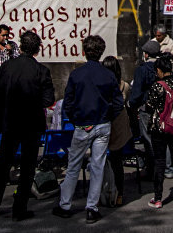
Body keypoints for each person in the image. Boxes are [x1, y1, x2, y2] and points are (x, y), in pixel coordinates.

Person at [0, 31, 55, 221]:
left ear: (21, 47)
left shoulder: (7, 67)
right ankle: (19, 208)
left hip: (11, 122)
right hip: (31, 124)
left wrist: (3, 116)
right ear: (37, 49)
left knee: (3, 165)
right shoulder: (41, 71)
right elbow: (48, 99)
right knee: (27, 168)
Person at [53, 36, 122, 225]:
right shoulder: (108, 75)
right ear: (101, 52)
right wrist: (108, 117)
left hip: (83, 124)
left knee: (74, 165)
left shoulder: (77, 74)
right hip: (102, 123)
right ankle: (92, 207)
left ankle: (65, 204)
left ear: (84, 51)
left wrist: (77, 119)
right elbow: (118, 103)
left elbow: (68, 103)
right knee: (97, 166)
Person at [144, 54, 173, 209]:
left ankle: (158, 198)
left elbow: (149, 107)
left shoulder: (157, 86)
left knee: (159, 162)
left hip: (159, 128)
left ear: (159, 70)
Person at [129, 39, 167, 179]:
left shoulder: (142, 70)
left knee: (148, 139)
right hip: (162, 107)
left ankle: (153, 169)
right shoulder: (162, 66)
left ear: (146, 54)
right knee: (162, 138)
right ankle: (164, 168)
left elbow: (137, 92)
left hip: (147, 108)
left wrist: (132, 104)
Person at [102, 56, 131, 207]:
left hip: (105, 121)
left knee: (100, 159)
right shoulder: (124, 86)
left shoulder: (101, 85)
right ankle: (119, 192)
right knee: (117, 160)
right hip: (119, 123)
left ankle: (103, 192)